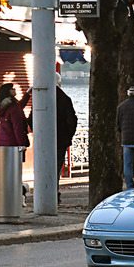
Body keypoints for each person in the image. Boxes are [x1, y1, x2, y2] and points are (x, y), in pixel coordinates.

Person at [0, 82, 32, 205]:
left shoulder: (5, 106)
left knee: (7, 172)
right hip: (14, 144)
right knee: (16, 172)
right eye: (12, 89)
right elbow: (18, 127)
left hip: (3, 143)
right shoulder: (14, 107)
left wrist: (27, 95)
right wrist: (22, 144)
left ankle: (9, 197)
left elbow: (20, 105)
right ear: (8, 91)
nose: (15, 90)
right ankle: (20, 194)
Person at [55, 73, 78, 202]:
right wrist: (68, 135)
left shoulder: (40, 97)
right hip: (61, 139)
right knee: (57, 167)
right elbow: (72, 120)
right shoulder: (65, 98)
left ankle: (46, 191)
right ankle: (54, 192)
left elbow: (31, 118)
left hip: (44, 140)